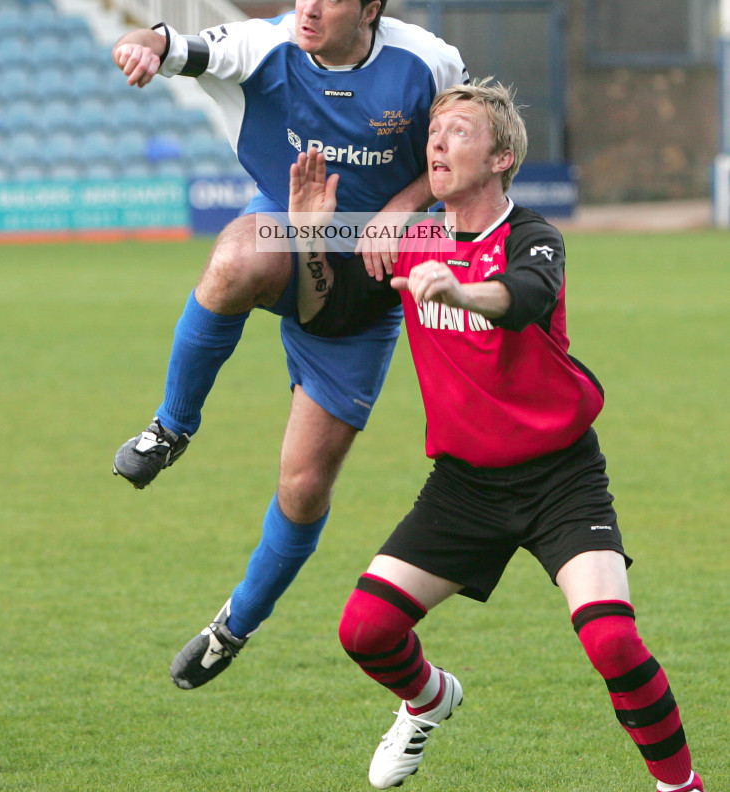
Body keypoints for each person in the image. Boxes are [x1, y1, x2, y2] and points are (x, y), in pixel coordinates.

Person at [290, 79, 703, 792]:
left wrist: (457, 289)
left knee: (610, 638)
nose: (437, 144)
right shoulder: (413, 239)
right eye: (433, 132)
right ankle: (427, 700)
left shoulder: (533, 236)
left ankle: (680, 786)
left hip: (559, 478)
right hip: (464, 485)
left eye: (457, 131)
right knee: (364, 631)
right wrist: (309, 242)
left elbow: (523, 300)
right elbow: (324, 316)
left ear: (502, 155)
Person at [109, 0, 468, 689]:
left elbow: (460, 161)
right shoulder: (263, 46)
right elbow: (167, 40)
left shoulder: (427, 64)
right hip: (283, 231)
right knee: (236, 257)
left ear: (369, 10)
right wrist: (139, 46)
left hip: (364, 294)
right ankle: (172, 425)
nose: (308, 9)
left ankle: (232, 627)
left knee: (304, 487)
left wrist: (400, 207)